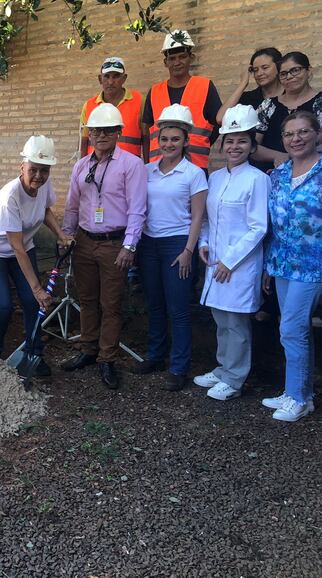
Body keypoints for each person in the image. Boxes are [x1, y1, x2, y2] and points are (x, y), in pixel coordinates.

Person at [60, 103, 147, 389]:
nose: (101, 135)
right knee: (86, 300)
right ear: (90, 133)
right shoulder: (81, 166)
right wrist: (66, 236)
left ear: (119, 132)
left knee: (110, 304)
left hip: (114, 244)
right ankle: (88, 349)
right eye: (96, 130)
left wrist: (129, 246)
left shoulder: (131, 165)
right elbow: (72, 206)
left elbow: (137, 209)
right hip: (84, 241)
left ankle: (107, 358)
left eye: (108, 130)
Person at [0, 136, 72, 373]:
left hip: (21, 247)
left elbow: (45, 210)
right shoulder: (11, 196)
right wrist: (38, 288)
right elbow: (15, 247)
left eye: (44, 170)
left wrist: (60, 234)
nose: (38, 175)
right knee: (5, 304)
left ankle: (34, 353)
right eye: (33, 169)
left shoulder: (43, 185)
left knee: (31, 302)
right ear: (22, 167)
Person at [194, 105, 269, 401]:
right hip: (215, 261)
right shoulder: (215, 178)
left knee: (236, 323)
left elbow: (258, 227)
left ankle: (235, 378)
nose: (235, 146)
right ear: (222, 144)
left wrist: (230, 260)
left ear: (252, 145)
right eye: (229, 140)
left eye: (242, 140)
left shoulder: (257, 180)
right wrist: (202, 243)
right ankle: (224, 367)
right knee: (220, 319)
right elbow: (208, 219)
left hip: (239, 264)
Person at [135, 105, 208, 391]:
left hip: (178, 244)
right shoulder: (147, 170)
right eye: (164, 139)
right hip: (149, 243)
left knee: (177, 308)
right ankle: (155, 356)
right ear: (158, 141)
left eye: (175, 139)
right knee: (154, 304)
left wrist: (189, 250)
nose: (168, 144)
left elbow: (199, 216)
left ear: (186, 141)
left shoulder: (194, 173)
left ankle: (179, 367)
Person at [260, 110, 322, 422]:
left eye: (303, 132)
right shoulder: (280, 175)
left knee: (291, 328)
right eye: (289, 134)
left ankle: (296, 398)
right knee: (297, 329)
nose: (295, 139)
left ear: (317, 135)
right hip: (282, 263)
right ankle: (300, 393)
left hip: (312, 266)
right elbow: (274, 225)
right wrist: (269, 265)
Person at [143, 30, 222, 172]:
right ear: (165, 62)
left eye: (182, 57)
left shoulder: (204, 86)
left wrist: (202, 143)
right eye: (172, 58)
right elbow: (147, 131)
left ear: (191, 57)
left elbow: (218, 123)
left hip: (195, 169)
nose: (177, 62)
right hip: (158, 170)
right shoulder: (155, 91)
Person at [216, 47, 283, 173]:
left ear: (279, 67)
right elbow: (221, 119)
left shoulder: (289, 97)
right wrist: (243, 83)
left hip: (284, 165)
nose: (259, 73)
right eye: (255, 70)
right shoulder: (248, 98)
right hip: (251, 169)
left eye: (265, 67)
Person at [254, 52, 322, 169]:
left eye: (295, 70)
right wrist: (280, 156)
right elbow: (252, 145)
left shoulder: (319, 103)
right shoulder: (268, 105)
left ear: (308, 70)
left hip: (314, 173)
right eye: (283, 74)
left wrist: (293, 158)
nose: (289, 77)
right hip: (271, 173)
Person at [80, 57, 146, 159]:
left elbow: (146, 138)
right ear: (100, 79)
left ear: (124, 78)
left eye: (116, 76)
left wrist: (147, 166)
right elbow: (83, 141)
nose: (110, 82)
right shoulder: (89, 105)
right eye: (106, 76)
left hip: (129, 169)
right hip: (96, 168)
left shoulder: (139, 101)